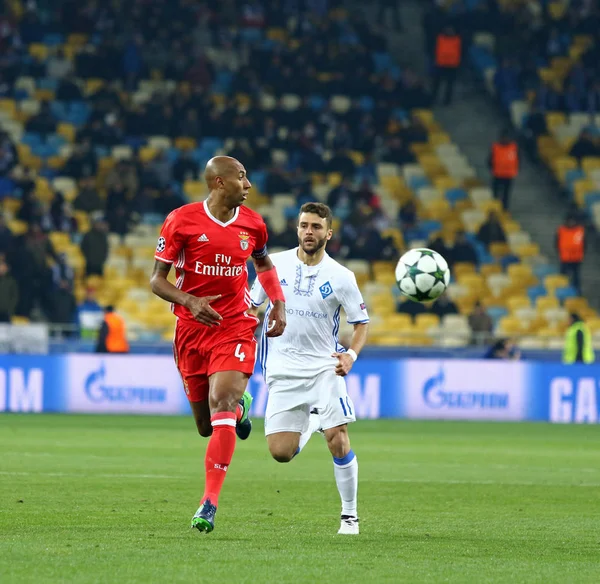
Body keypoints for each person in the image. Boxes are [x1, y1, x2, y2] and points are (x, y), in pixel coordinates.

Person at [150, 156, 286, 534]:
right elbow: (157, 281)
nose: (249, 184)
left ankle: (208, 502)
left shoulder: (253, 224)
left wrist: (278, 303)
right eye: (242, 177)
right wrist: (190, 301)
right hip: (192, 332)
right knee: (205, 427)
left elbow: (264, 266)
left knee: (220, 403)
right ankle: (240, 408)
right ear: (219, 183)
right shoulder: (181, 220)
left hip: (235, 327)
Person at [249, 202, 369, 535]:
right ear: (297, 228)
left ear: (328, 233)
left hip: (323, 369)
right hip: (282, 370)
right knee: (280, 453)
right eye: (304, 225)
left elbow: (361, 324)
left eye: (316, 227)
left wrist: (351, 356)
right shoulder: (273, 264)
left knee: (337, 439)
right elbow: (249, 305)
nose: (308, 232)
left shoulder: (342, 277)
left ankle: (349, 515)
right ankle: (313, 419)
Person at [488, 131, 519, 210]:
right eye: (504, 137)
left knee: (506, 194)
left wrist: (516, 169)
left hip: (508, 175)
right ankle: (495, 208)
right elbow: (490, 159)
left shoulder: (514, 147)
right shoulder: (495, 147)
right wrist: (492, 168)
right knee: (495, 194)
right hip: (497, 174)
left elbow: (518, 159)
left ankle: (504, 209)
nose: (505, 139)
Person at [556, 213, 585, 295]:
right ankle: (561, 292)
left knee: (576, 277)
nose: (571, 222)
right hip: (564, 257)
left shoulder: (579, 230)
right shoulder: (561, 230)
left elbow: (581, 244)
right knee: (562, 277)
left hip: (576, 258)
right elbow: (557, 242)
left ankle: (577, 292)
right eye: (570, 221)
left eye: (573, 221)